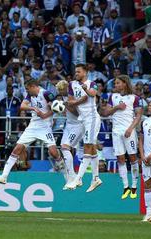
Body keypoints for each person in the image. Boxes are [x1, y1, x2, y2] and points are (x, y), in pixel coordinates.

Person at [0, 78, 64, 184]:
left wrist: (45, 115)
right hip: (32, 127)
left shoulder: (47, 94)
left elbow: (55, 109)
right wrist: (33, 109)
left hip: (45, 128)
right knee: (17, 149)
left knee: (53, 152)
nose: (26, 91)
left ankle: (62, 166)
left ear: (33, 87)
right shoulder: (31, 95)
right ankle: (4, 176)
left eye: (27, 89)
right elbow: (22, 106)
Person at [100, 75, 143, 199]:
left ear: (124, 84)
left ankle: (134, 185)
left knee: (133, 157)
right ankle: (125, 186)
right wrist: (117, 107)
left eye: (118, 83)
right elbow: (105, 113)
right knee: (120, 159)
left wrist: (130, 128)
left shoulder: (134, 98)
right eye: (115, 83)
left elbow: (138, 116)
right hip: (116, 131)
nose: (116, 85)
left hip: (128, 131)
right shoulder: (112, 97)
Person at [65, 64, 103, 192]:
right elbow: (70, 102)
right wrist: (78, 101)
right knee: (91, 148)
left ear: (85, 72)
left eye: (78, 72)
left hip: (92, 118)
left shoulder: (92, 83)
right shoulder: (71, 84)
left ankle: (78, 178)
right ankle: (96, 178)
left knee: (87, 146)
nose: (76, 73)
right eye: (75, 71)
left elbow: (93, 94)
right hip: (82, 119)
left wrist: (85, 89)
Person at [56, 80, 83, 190]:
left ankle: (73, 176)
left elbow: (78, 114)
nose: (60, 92)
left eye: (62, 90)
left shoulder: (73, 98)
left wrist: (67, 105)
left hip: (77, 125)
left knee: (65, 147)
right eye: (59, 90)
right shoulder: (63, 98)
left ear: (67, 88)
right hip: (68, 125)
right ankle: (72, 176)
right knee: (63, 148)